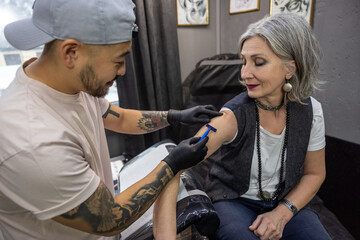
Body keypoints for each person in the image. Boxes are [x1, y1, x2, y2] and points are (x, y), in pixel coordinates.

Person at [0, 0, 223, 239]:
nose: (123, 70)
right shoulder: (32, 142)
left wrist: (173, 116)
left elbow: (119, 118)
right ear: (71, 53)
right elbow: (110, 217)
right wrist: (172, 164)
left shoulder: (70, 82)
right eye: (117, 61)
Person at [161, 13, 332, 240]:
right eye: (244, 61)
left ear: (290, 68)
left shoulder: (312, 112)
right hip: (233, 200)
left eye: (258, 62)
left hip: (285, 200)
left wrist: (282, 213)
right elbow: (178, 165)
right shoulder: (231, 117)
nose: (244, 73)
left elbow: (315, 173)